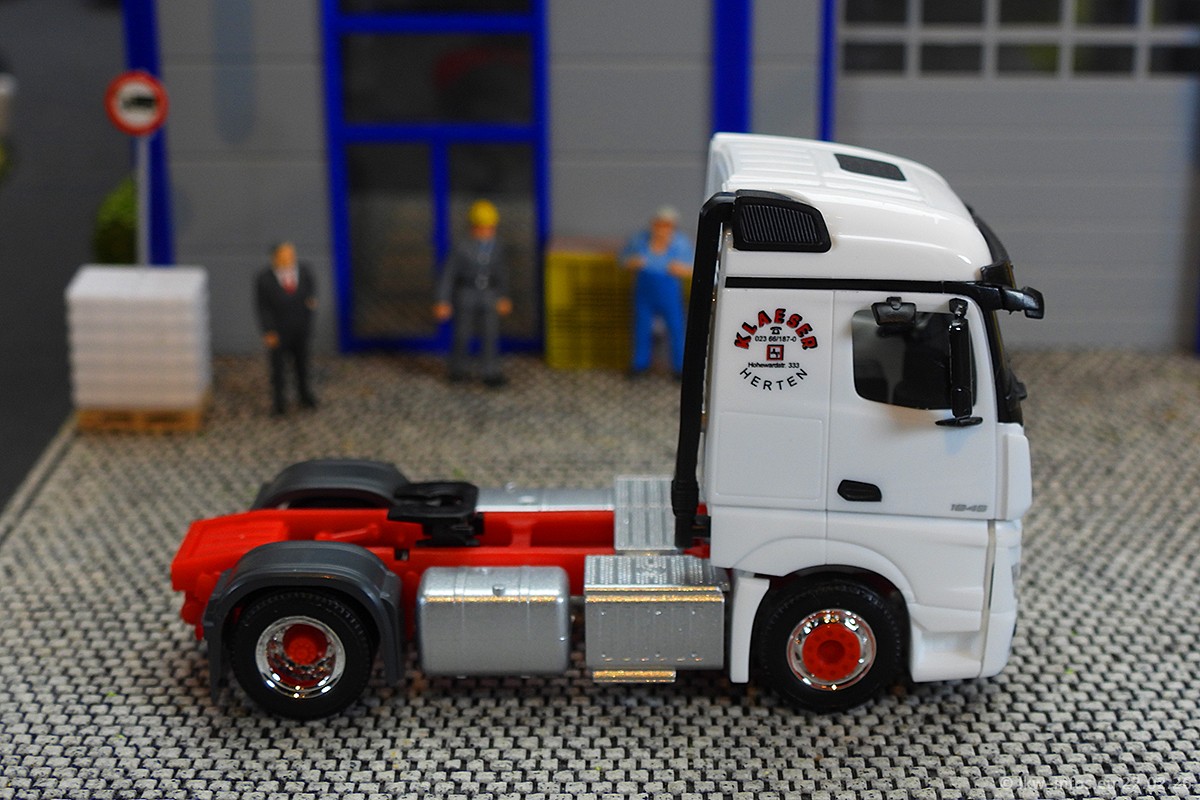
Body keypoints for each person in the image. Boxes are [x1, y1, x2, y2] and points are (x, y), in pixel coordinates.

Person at [434, 200, 512, 387]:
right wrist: (442, 300)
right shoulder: (461, 246)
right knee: (462, 334)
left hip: (489, 294)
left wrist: (504, 296)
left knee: (490, 334)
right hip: (466, 293)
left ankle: (490, 372)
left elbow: (502, 273)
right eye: (481, 228)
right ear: (473, 227)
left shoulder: (497, 246)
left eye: (489, 228)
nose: (486, 232)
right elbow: (449, 274)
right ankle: (458, 369)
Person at [621, 206, 694, 377]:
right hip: (644, 292)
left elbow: (692, 268)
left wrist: (680, 269)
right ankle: (640, 364)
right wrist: (633, 262)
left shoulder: (681, 244)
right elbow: (623, 259)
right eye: (659, 225)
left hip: (669, 293)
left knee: (676, 328)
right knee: (641, 327)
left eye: (666, 226)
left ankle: (680, 366)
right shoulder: (640, 240)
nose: (661, 229)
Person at [255, 241, 317, 415]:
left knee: (302, 364)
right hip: (279, 330)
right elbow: (262, 308)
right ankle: (279, 401)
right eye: (284, 256)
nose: (289, 259)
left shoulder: (304, 272)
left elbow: (311, 296)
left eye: (291, 255)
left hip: (300, 328)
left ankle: (304, 394)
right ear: (275, 258)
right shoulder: (264, 279)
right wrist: (268, 331)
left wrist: (309, 317)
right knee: (278, 367)